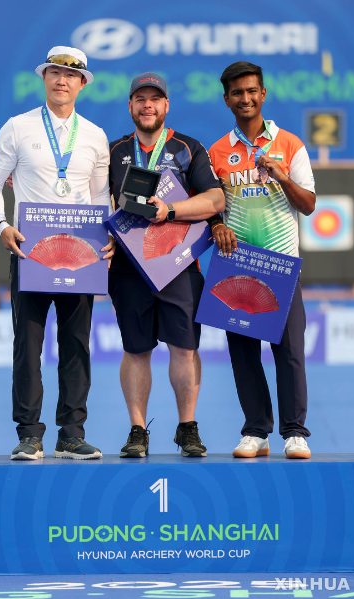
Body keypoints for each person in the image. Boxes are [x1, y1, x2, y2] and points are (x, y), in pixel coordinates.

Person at [0, 46, 115, 460]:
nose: (62, 80)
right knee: (28, 345)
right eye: (55, 72)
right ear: (44, 77)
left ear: (82, 84)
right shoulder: (18, 127)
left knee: (77, 345)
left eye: (71, 75)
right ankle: (29, 434)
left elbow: (100, 197)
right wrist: (2, 225)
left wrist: (107, 236)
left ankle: (71, 434)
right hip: (30, 254)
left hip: (80, 255)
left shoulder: (94, 135)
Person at [109, 72, 225, 458]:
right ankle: (137, 430)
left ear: (166, 105)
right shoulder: (113, 152)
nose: (148, 105)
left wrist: (171, 210)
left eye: (155, 99)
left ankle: (187, 427)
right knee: (135, 349)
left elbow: (215, 200)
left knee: (185, 347)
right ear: (130, 106)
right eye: (140, 99)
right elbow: (87, 195)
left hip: (178, 264)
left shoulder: (188, 148)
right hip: (128, 266)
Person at [209, 61, 316, 459]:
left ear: (263, 94)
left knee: (289, 353)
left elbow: (308, 205)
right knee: (243, 354)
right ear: (227, 100)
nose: (246, 98)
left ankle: (295, 432)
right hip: (236, 265)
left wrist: (282, 176)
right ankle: (256, 431)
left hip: (280, 265)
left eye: (252, 91)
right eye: (237, 93)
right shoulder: (217, 152)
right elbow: (211, 206)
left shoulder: (290, 144)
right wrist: (216, 224)